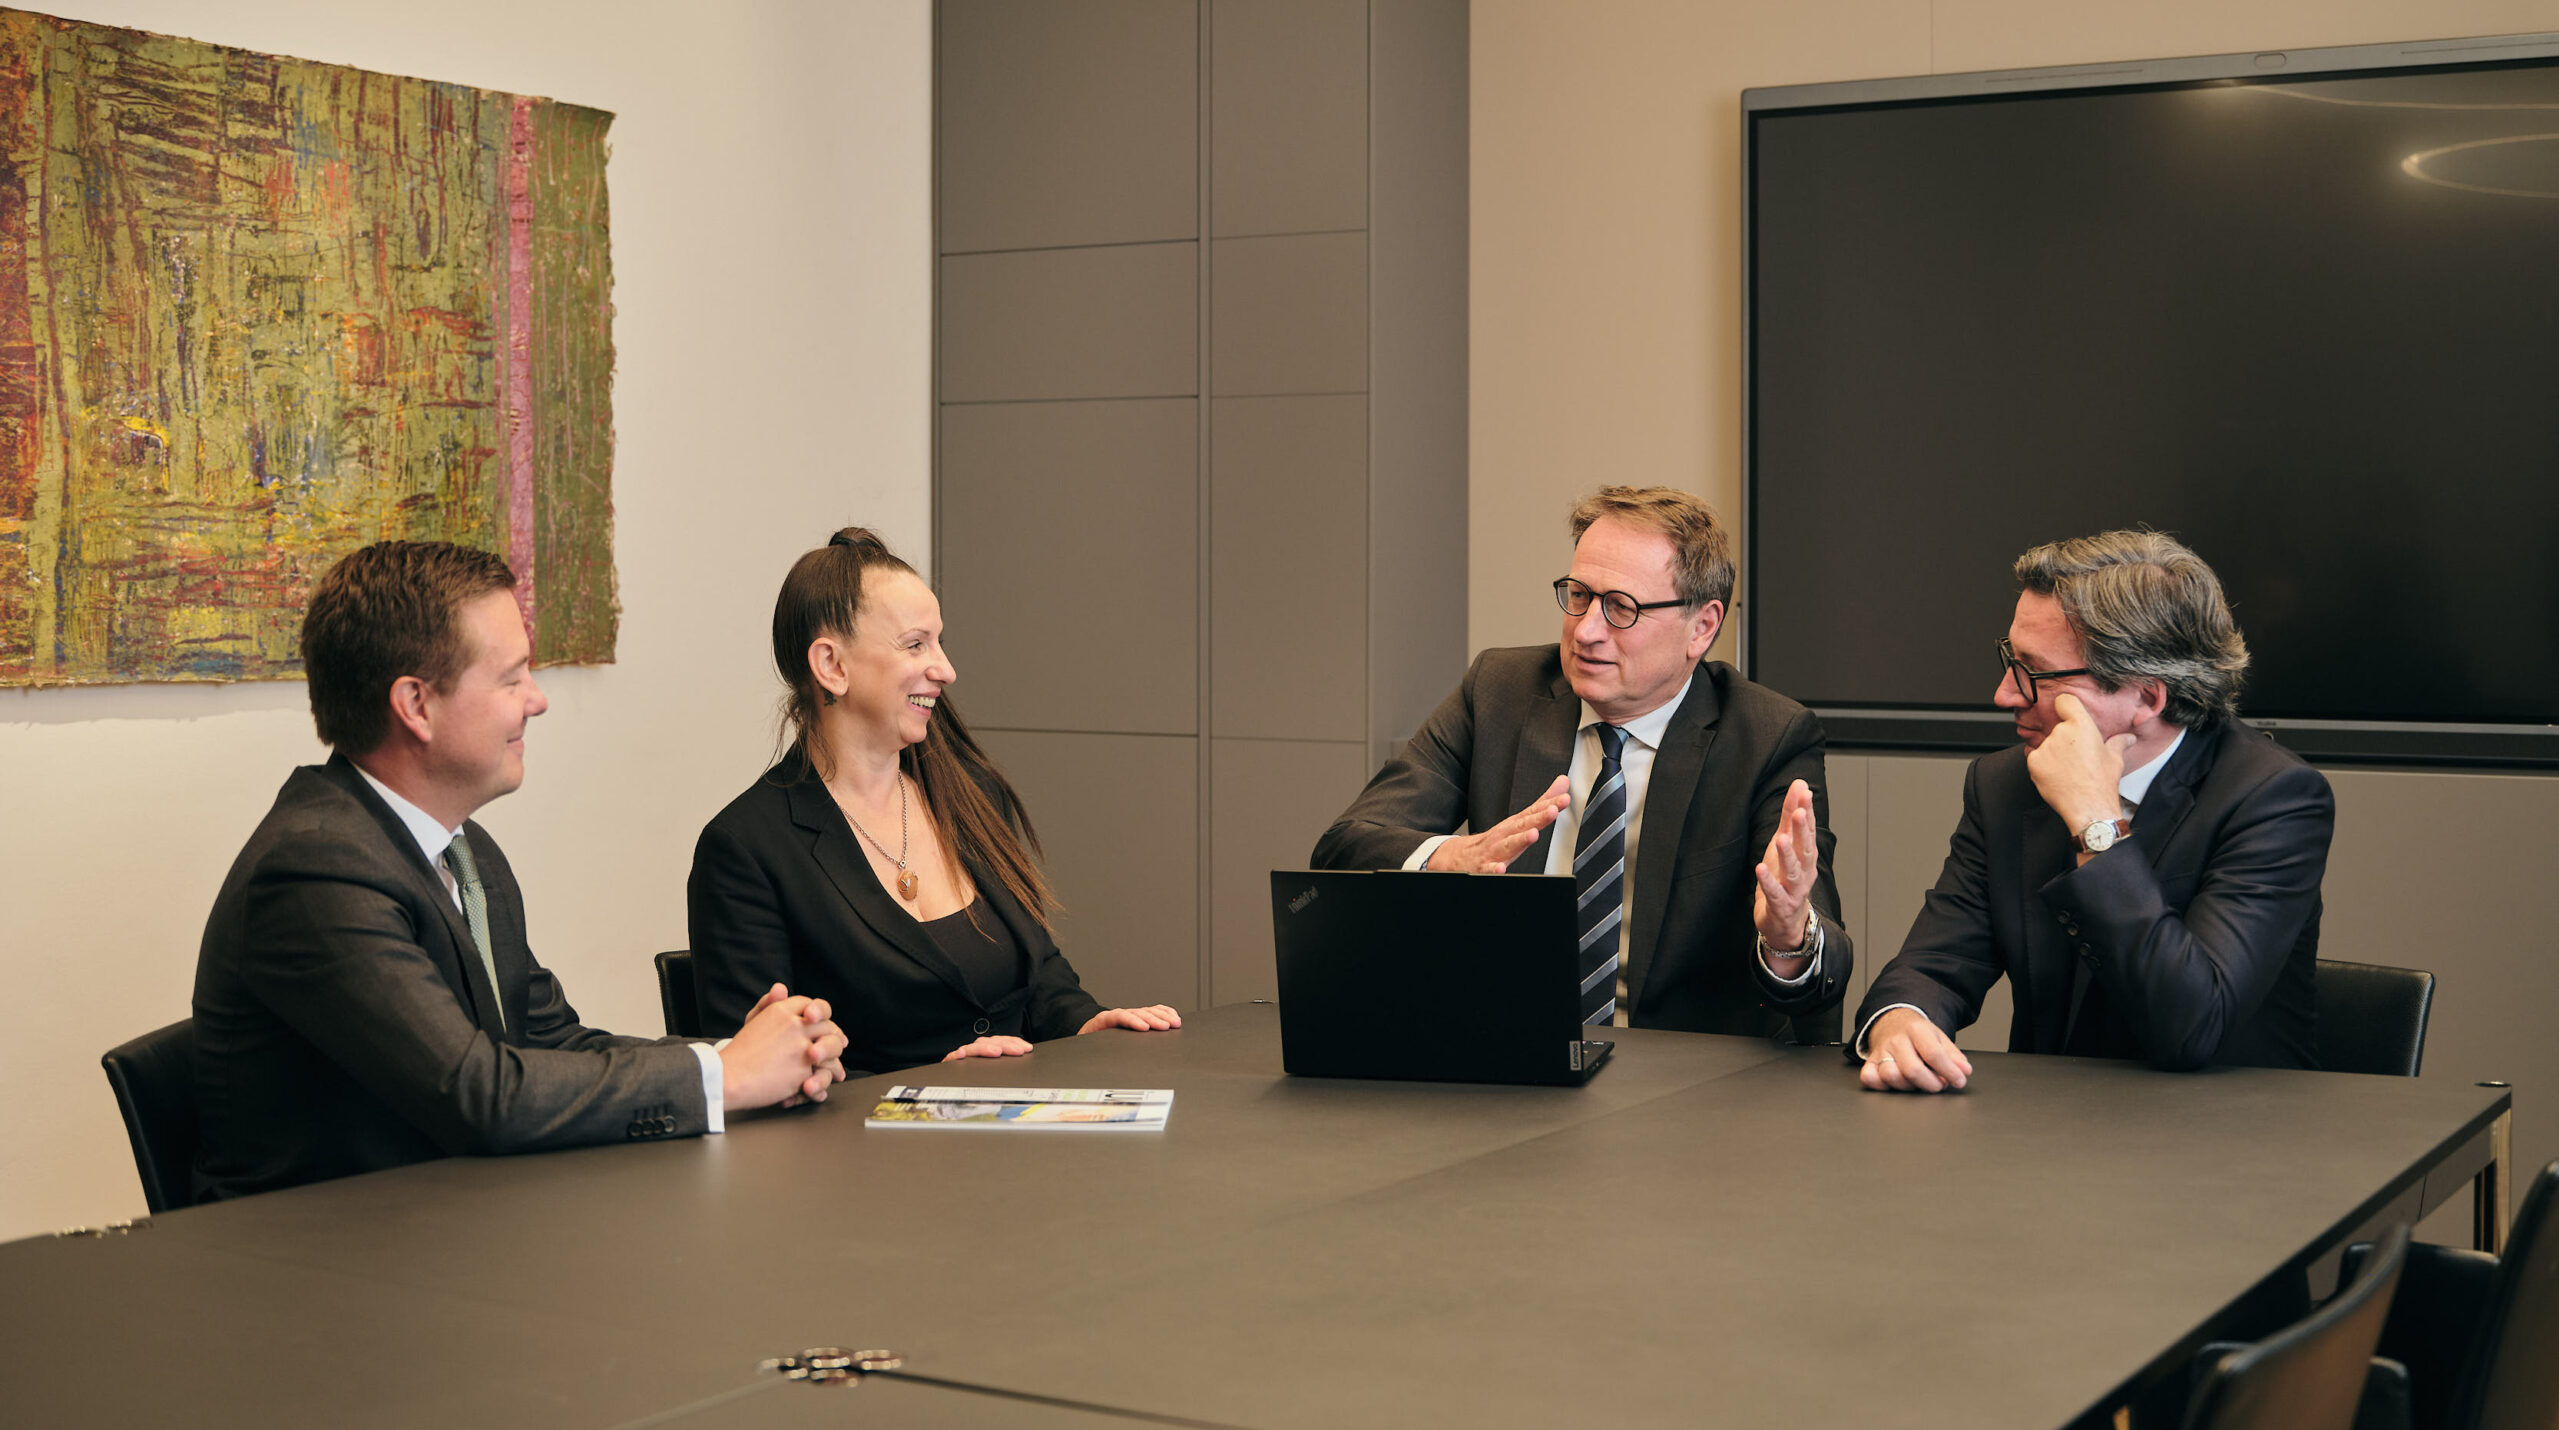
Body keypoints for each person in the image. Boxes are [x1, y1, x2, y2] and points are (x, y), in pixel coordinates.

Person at [192, 542, 846, 1202]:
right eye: (511, 678)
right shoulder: (316, 871)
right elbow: (481, 1095)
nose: (537, 701)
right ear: (415, 705)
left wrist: (747, 1052)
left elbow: (548, 1039)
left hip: (451, 1229)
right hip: (316, 1266)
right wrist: (724, 1076)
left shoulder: (463, 850)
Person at [1312, 486, 1853, 1041]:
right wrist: (1448, 857)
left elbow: (1823, 965)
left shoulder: (1766, 736)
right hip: (1505, 1059)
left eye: (1621, 607)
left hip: (1680, 1086)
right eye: (1578, 595)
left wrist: (1788, 936)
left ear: (1703, 627)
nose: (1587, 629)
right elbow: (1344, 845)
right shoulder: (1500, 692)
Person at [1853, 530, 2333, 1092]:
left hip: (2227, 1146)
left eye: (2034, 671)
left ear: (2146, 699)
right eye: (2011, 659)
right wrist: (1902, 1019)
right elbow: (1932, 965)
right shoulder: (2006, 783)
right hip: (2050, 1136)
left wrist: (2094, 823)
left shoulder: (2274, 798)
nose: (2005, 694)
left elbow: (2191, 1025)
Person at [687, 527, 1181, 1072]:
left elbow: (1038, 976)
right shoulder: (745, 848)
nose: (945, 669)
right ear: (832, 665)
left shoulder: (973, 797)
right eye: (916, 644)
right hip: (865, 1154)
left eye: (939, 642)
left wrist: (1084, 1023)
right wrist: (931, 1094)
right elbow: (757, 1076)